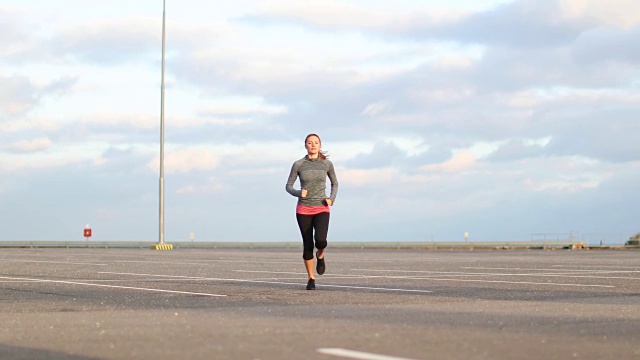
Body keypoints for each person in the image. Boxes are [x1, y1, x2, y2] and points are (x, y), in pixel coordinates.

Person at [285, 133, 339, 290]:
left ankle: (320, 255)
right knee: (308, 245)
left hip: (322, 207)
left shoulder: (326, 164)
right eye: (310, 143)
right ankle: (311, 278)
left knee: (321, 241)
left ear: (320, 145)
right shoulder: (298, 164)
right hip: (303, 209)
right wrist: (298, 192)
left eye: (316, 143)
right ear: (305, 145)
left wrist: (331, 198)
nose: (313, 145)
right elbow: (288, 185)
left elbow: (335, 183)